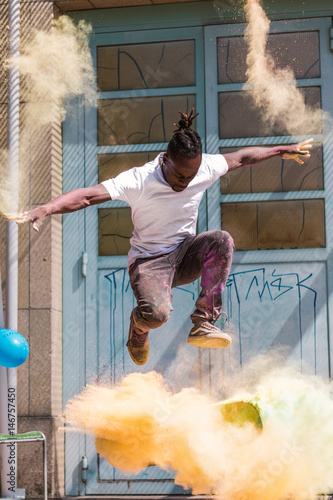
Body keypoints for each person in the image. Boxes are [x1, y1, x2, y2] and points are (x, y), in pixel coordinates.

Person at [5, 109, 312, 366]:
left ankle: (203, 322)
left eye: (190, 178)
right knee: (157, 315)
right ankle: (139, 326)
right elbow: (87, 196)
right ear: (165, 159)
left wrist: (280, 150)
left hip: (184, 254)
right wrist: (46, 208)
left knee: (222, 240)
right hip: (149, 263)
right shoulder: (138, 180)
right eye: (179, 175)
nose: (184, 182)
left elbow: (243, 157)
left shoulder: (204, 166)